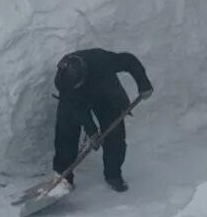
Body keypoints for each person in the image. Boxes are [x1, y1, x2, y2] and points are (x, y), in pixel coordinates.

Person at [52, 48, 153, 192]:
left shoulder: (101, 60)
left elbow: (129, 60)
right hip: (74, 101)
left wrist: (144, 84)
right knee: (65, 133)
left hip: (104, 95)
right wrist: (91, 131)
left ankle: (113, 175)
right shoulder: (63, 80)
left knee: (114, 135)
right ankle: (62, 178)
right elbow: (77, 111)